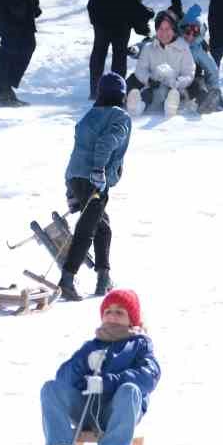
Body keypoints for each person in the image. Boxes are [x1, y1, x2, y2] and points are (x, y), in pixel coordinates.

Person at [34, 289, 160, 445]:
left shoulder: (140, 345)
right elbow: (63, 378)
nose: (112, 316)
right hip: (87, 409)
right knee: (51, 388)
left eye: (120, 312)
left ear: (131, 319)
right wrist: (84, 363)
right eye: (108, 311)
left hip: (118, 412)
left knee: (130, 389)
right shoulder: (92, 346)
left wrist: (107, 382)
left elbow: (149, 376)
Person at [58, 71, 132, 301]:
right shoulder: (120, 117)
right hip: (93, 179)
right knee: (87, 229)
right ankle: (67, 279)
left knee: (102, 227)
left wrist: (71, 190)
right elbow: (106, 143)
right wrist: (99, 170)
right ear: (121, 96)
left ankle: (103, 278)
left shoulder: (89, 116)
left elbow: (79, 149)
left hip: (76, 176)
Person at [126, 8, 195, 117]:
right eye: (160, 29)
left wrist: (177, 82)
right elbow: (140, 69)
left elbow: (189, 73)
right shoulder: (149, 48)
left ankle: (172, 106)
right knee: (135, 82)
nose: (164, 33)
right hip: (153, 86)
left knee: (176, 92)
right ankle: (137, 105)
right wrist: (148, 79)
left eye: (167, 29)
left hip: (174, 88)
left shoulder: (183, 48)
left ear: (174, 30)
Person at [174, 3, 223, 114]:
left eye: (194, 34)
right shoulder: (174, 41)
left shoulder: (198, 49)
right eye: (187, 32)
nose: (190, 37)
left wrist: (214, 88)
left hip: (192, 79)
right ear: (182, 30)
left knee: (198, 85)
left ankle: (206, 102)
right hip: (173, 78)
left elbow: (212, 69)